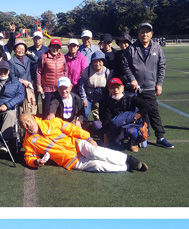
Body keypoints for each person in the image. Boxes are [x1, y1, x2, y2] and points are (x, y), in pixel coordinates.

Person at [20, 113, 148, 173]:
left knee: (97, 152)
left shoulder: (52, 122)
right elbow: (29, 157)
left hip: (77, 144)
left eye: (28, 121)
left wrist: (88, 138)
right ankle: (126, 167)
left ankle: (129, 160)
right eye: (23, 125)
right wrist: (36, 162)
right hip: (70, 160)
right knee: (98, 166)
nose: (27, 125)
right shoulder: (28, 142)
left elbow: (73, 129)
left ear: (33, 117)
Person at [122, 22, 173, 149]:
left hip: (150, 87)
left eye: (147, 32)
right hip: (135, 89)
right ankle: (141, 135)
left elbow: (162, 66)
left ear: (151, 34)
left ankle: (160, 137)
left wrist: (159, 83)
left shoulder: (157, 48)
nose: (144, 34)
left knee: (154, 112)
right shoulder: (131, 49)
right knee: (138, 113)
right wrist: (132, 79)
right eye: (142, 32)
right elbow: (125, 65)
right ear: (138, 34)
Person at [100, 78, 147, 152]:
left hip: (132, 124)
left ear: (122, 88)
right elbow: (106, 121)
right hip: (117, 125)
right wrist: (106, 142)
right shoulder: (107, 101)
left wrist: (137, 116)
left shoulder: (131, 97)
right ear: (109, 90)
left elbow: (147, 107)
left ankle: (133, 143)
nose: (116, 90)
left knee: (132, 131)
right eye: (113, 88)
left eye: (118, 87)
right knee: (97, 125)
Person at [79, 50, 111, 126]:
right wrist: (84, 99)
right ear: (92, 62)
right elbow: (82, 85)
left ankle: (101, 128)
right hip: (89, 95)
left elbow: (109, 86)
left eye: (100, 61)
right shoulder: (87, 70)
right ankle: (85, 127)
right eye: (95, 61)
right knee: (85, 113)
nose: (97, 64)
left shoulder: (107, 71)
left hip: (101, 96)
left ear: (103, 62)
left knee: (103, 113)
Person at [36, 38, 67, 117]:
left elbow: (65, 71)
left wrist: (66, 85)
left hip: (59, 89)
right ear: (49, 47)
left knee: (59, 110)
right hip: (47, 89)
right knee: (47, 111)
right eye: (53, 47)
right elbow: (39, 72)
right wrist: (39, 85)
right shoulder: (44, 56)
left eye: (57, 47)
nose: (55, 49)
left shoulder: (62, 57)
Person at [9, 39, 37, 115]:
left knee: (29, 107)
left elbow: (36, 59)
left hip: (28, 87)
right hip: (18, 88)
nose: (20, 50)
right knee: (19, 109)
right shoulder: (11, 61)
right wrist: (22, 81)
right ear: (14, 50)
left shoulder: (26, 59)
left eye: (23, 48)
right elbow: (12, 77)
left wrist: (28, 53)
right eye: (18, 48)